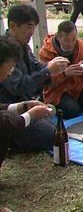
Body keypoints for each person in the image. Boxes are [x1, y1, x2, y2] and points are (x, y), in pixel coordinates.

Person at [0, 36, 54, 166]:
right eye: (10, 67)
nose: (9, 73)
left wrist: (23, 106)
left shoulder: (26, 49)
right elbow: (5, 124)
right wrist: (30, 115)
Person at [0, 5, 69, 104]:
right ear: (13, 26)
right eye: (29, 26)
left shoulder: (24, 45)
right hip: (11, 108)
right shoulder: (4, 50)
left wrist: (54, 65)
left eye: (34, 27)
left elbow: (35, 66)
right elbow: (18, 86)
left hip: (29, 102)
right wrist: (48, 70)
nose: (32, 32)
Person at [39, 21, 83, 119]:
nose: (71, 44)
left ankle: (77, 103)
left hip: (78, 89)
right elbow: (44, 80)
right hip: (57, 92)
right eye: (67, 40)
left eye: (73, 39)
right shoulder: (46, 52)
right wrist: (64, 74)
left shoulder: (81, 46)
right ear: (59, 38)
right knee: (71, 110)